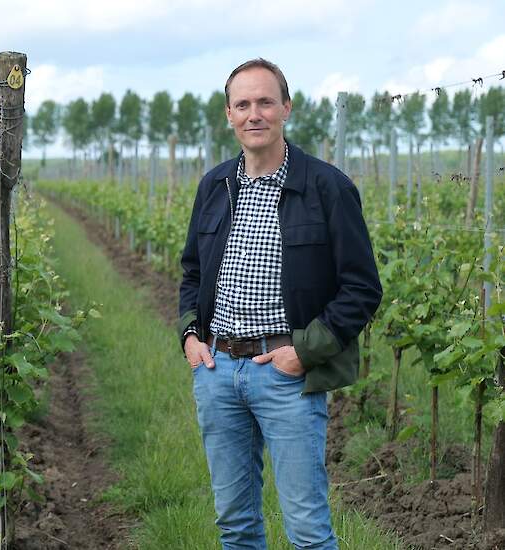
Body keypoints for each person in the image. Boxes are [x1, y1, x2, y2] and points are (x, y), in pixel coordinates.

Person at [178, 58, 381, 549]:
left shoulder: (327, 187)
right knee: (236, 525)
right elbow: (192, 273)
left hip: (286, 374)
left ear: (286, 108)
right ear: (228, 114)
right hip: (219, 371)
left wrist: (303, 353)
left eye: (265, 102)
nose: (255, 114)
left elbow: (362, 288)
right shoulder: (215, 186)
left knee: (308, 531)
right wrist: (189, 335)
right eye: (242, 104)